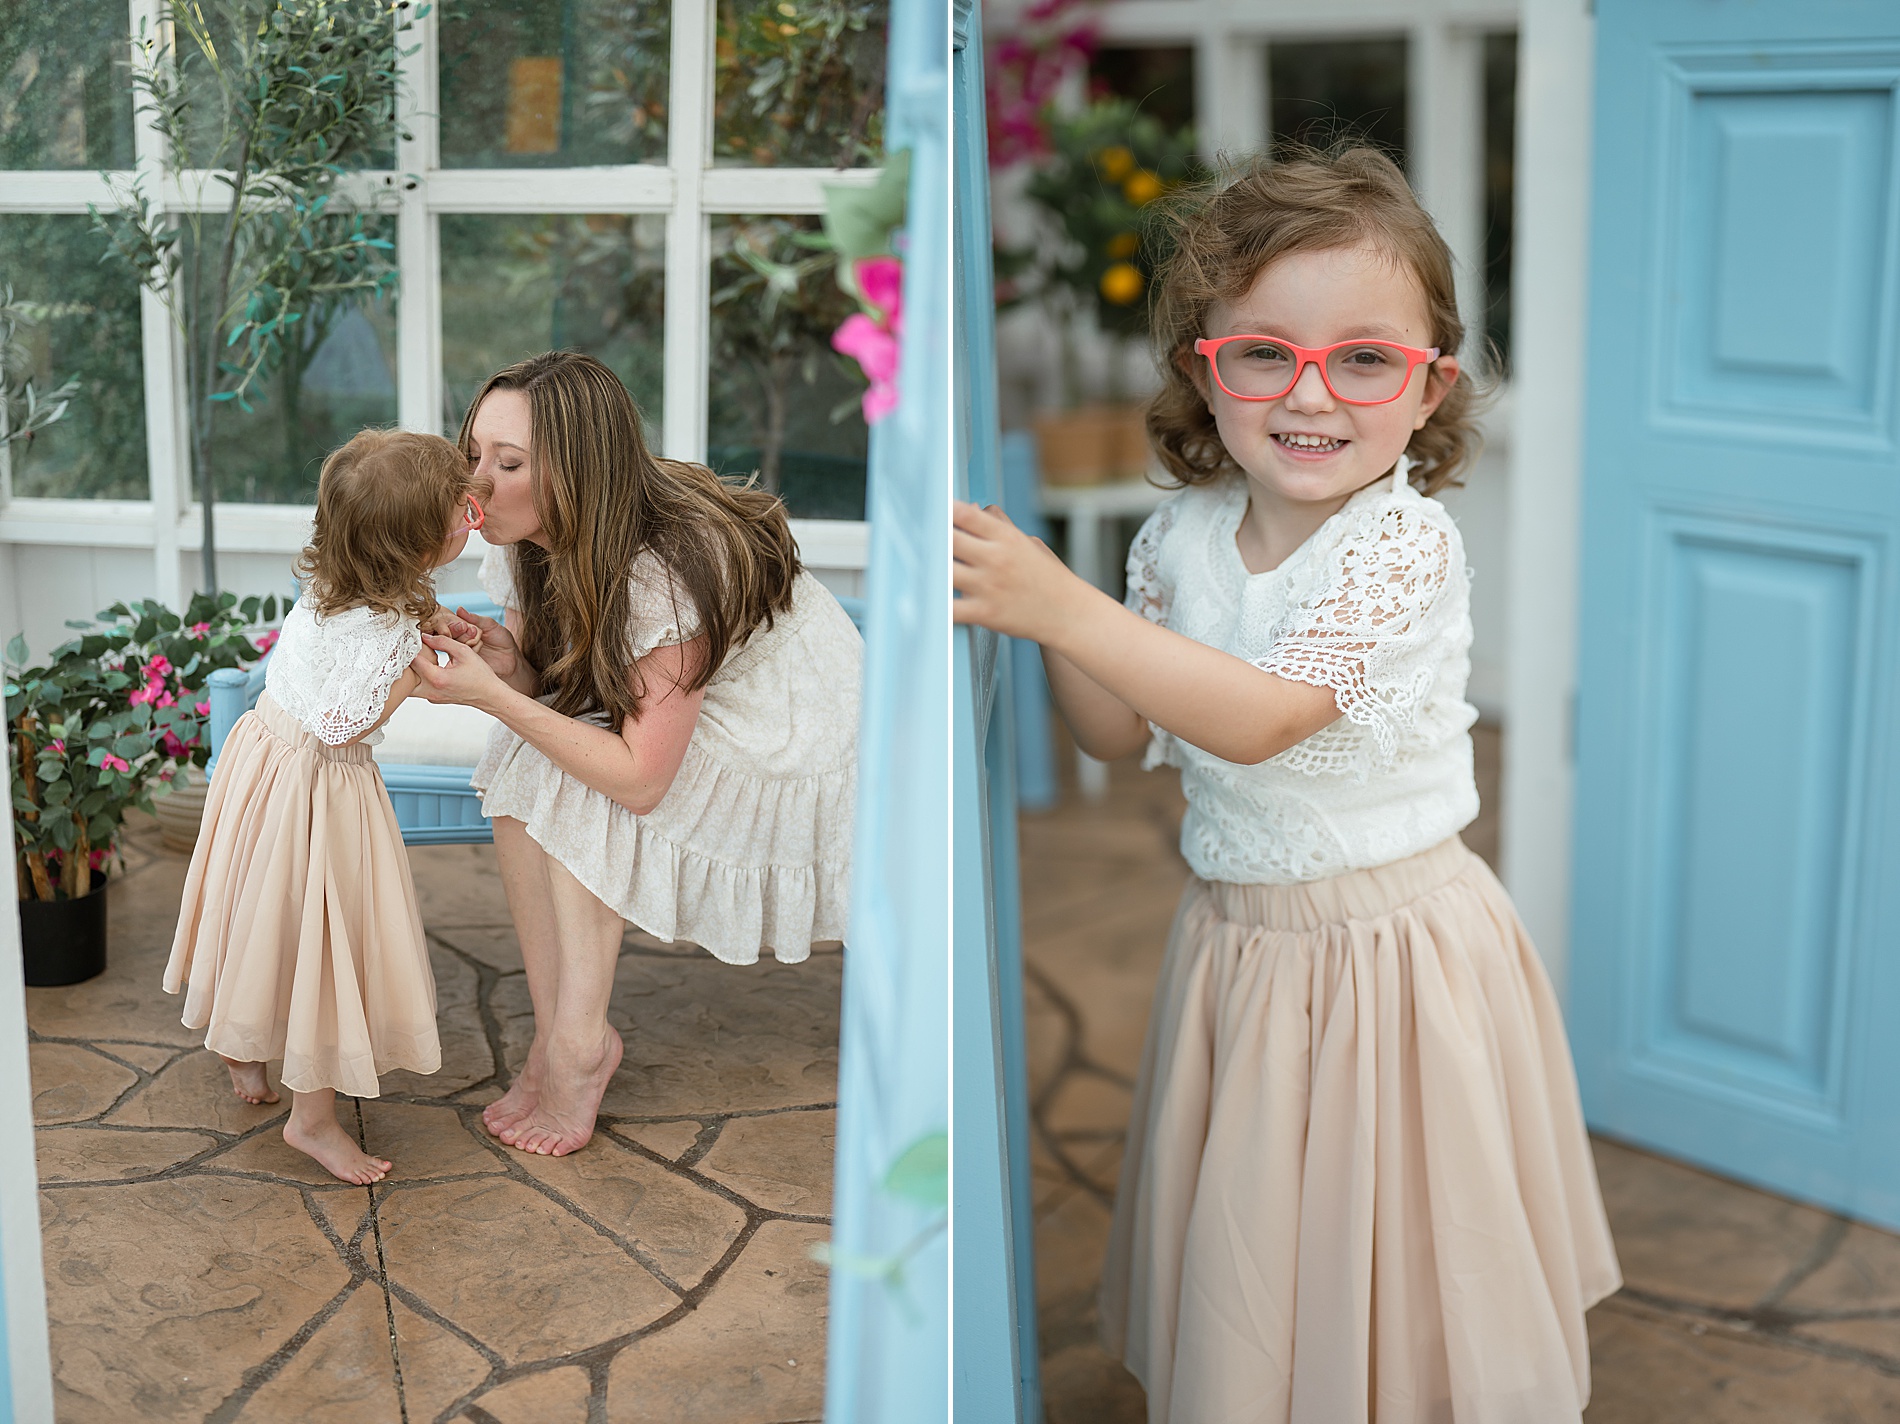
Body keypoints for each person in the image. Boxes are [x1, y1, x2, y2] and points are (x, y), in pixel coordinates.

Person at [953, 146, 1621, 1422]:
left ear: (1429, 391)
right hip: (1243, 945)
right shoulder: (1176, 539)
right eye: (1264, 352)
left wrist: (1065, 604)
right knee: (1271, 1224)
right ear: (1204, 372)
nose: (1311, 394)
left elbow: (1263, 719)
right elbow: (1110, 729)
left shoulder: (1401, 546)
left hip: (1396, 951)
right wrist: (1049, 620)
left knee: (1411, 1225)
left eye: (1364, 358)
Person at [410, 350, 861, 1159]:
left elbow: (640, 778)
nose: (475, 483)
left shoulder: (667, 568)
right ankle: (558, 1035)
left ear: (579, 473)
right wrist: (513, 666)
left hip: (793, 732)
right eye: (472, 454)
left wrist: (492, 694)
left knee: (579, 780)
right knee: (523, 754)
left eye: (507, 463)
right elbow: (569, 679)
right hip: (688, 710)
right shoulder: (526, 533)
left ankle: (580, 1050)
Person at [164, 429, 486, 1185]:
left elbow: (358, 642)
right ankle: (311, 1120)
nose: (470, 519)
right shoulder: (389, 632)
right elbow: (348, 720)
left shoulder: (335, 584)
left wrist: (423, 625)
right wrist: (424, 669)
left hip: (263, 759)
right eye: (461, 512)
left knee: (261, 916)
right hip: (320, 785)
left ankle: (243, 1045)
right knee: (321, 944)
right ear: (417, 541)